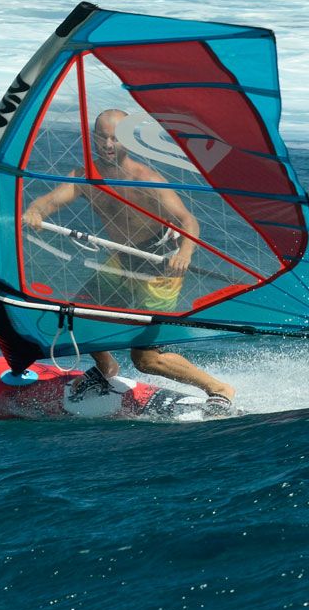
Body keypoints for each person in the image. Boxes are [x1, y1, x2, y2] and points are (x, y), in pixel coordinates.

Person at [21, 108, 236, 414]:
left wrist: (185, 254)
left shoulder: (146, 179)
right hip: (121, 260)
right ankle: (106, 368)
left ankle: (219, 389)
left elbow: (188, 221)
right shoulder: (85, 176)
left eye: (115, 138)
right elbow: (50, 201)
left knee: (146, 359)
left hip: (159, 266)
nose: (108, 144)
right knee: (75, 318)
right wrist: (36, 212)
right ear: (93, 139)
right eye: (102, 137)